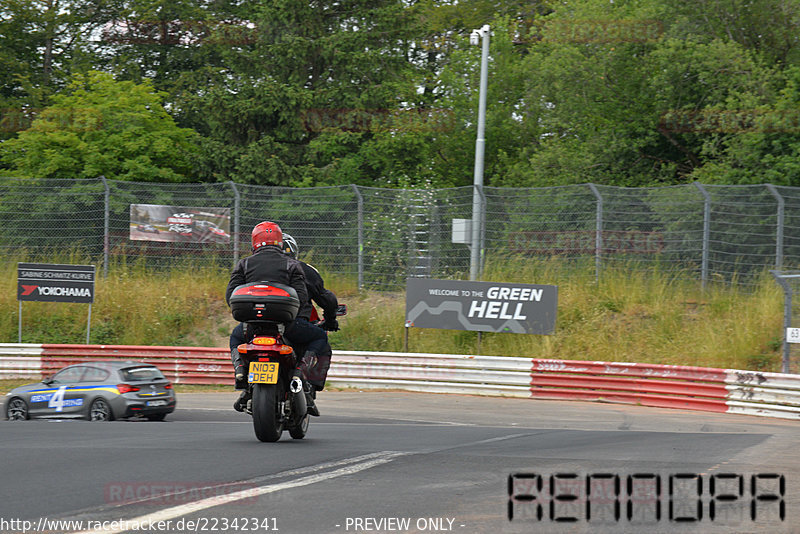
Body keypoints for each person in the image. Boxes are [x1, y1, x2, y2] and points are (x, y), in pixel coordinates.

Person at [225, 221, 326, 414]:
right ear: (280, 242)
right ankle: (300, 374)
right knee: (319, 337)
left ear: (254, 242)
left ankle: (240, 373)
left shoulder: (244, 264)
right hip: (287, 326)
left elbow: (230, 294)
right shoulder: (292, 264)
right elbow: (301, 296)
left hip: (252, 328)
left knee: (236, 338)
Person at [281, 233, 340, 392]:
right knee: (321, 340)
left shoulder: (258, 268)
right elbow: (326, 299)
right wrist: (330, 319)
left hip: (259, 324)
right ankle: (308, 382)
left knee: (237, 337)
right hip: (294, 324)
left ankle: (243, 378)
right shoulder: (304, 269)